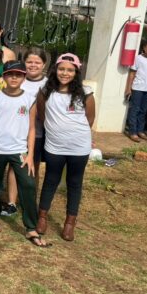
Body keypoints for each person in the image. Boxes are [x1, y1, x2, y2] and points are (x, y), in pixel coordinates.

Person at [0, 61, 46, 247]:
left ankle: (31, 227)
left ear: (24, 77)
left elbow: (32, 129)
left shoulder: (29, 99)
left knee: (27, 184)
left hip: (19, 150)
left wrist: (30, 155)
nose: (14, 78)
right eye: (10, 74)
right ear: (4, 76)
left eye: (18, 74)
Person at [37, 53, 95, 242]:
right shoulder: (46, 91)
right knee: (50, 180)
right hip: (55, 145)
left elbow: (89, 118)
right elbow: (42, 114)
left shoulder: (85, 92)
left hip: (79, 147)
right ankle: (42, 217)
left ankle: (70, 223)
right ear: (55, 70)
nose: (65, 73)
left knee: (74, 183)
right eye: (62, 69)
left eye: (70, 70)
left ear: (76, 72)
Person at [1, 47, 47, 216]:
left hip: (37, 132)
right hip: (14, 132)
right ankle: (12, 202)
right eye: (29, 62)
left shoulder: (48, 83)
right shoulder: (17, 78)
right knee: (14, 166)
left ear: (44, 65)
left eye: (37, 62)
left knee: (32, 166)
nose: (33, 65)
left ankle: (29, 200)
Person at [124, 39, 147, 142]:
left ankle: (140, 130)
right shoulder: (138, 59)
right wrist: (128, 88)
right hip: (137, 88)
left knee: (144, 111)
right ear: (144, 48)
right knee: (135, 110)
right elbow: (132, 73)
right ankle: (133, 132)